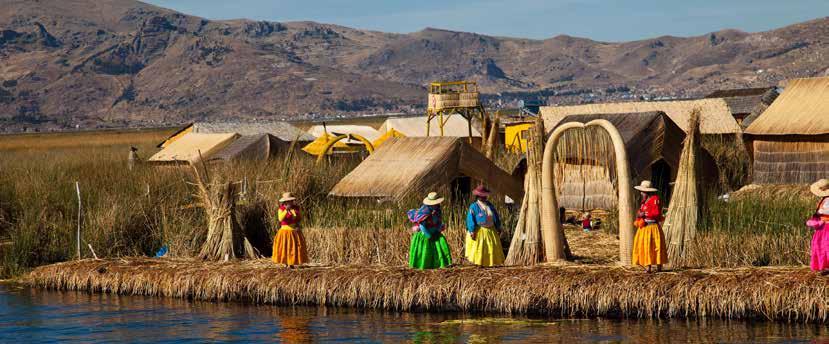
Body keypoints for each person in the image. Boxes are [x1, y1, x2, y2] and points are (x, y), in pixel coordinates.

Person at [406, 192, 452, 269]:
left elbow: (438, 221)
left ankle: (438, 265)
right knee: (425, 251)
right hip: (425, 235)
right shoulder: (425, 211)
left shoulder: (437, 210)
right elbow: (422, 226)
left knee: (438, 250)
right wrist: (428, 236)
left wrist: (439, 227)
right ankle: (423, 266)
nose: (437, 204)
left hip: (435, 233)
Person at [465, 185, 505, 267]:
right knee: (480, 249)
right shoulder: (474, 206)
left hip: (491, 230)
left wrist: (498, 227)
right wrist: (472, 231)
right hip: (480, 231)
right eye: (482, 196)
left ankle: (490, 264)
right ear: (478, 196)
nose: (484, 197)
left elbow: (495, 216)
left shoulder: (490, 205)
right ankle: (480, 264)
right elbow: (470, 219)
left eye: (485, 195)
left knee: (491, 248)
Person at [631, 180, 667, 272]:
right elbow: (640, 211)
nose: (641, 193)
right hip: (644, 227)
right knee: (645, 246)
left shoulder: (655, 199)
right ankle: (648, 266)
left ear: (647, 192)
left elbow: (656, 213)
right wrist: (639, 214)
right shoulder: (644, 201)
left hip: (652, 227)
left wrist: (644, 214)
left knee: (655, 246)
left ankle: (659, 267)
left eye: (642, 191)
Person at [272, 192, 308, 267]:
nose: (290, 202)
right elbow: (280, 218)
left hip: (294, 231)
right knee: (285, 248)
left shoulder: (296, 208)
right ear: (285, 202)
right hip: (285, 232)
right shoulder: (281, 209)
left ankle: (292, 263)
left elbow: (299, 218)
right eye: (288, 201)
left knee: (293, 248)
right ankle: (286, 263)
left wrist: (298, 225)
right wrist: (286, 210)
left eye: (291, 201)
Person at [807, 179, 829, 273]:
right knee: (819, 245)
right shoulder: (824, 199)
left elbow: (827, 211)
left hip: (827, 227)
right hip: (822, 226)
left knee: (826, 245)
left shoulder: (828, 199)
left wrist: (820, 212)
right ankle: (824, 265)